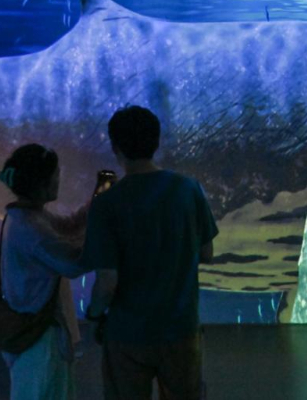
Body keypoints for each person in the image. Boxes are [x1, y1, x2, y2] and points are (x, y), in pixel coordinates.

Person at [83, 106, 218, 400]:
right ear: (157, 142)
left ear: (115, 147)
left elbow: (107, 281)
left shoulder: (106, 204)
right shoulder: (188, 189)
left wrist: (93, 315)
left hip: (127, 334)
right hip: (181, 330)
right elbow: (207, 253)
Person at [0, 144, 92, 400]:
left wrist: (93, 206)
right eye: (55, 173)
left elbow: (66, 227)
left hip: (34, 331)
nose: (59, 177)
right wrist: (105, 233)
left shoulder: (27, 217)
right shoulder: (31, 228)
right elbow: (74, 263)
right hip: (41, 338)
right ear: (41, 182)